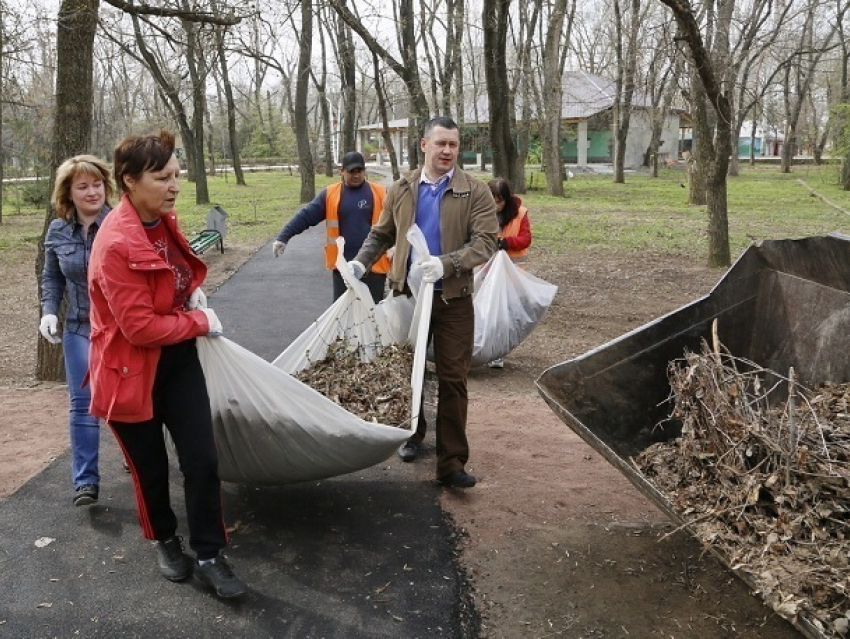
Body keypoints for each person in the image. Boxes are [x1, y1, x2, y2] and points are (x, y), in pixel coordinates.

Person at [87, 130, 246, 599]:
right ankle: (164, 539)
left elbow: (173, 274)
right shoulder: (114, 244)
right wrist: (197, 319)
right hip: (128, 372)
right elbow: (138, 328)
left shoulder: (162, 218)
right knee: (151, 468)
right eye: (162, 177)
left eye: (176, 175)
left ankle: (211, 554)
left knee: (202, 460)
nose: (174, 185)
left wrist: (187, 292)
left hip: (176, 362)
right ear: (129, 181)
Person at [348, 116, 498, 488]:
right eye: (441, 143)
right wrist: (360, 261)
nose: (447, 151)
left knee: (453, 378)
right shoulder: (402, 189)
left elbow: (485, 242)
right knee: (409, 373)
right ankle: (413, 436)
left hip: (453, 298)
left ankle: (451, 463)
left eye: (453, 145)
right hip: (407, 295)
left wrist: (445, 265)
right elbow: (381, 233)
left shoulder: (474, 191)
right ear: (424, 145)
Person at [39, 155, 114, 507]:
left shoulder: (119, 223)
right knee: (82, 405)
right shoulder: (57, 231)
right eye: (82, 186)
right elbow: (52, 276)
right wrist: (49, 311)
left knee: (125, 401)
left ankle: (137, 458)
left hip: (119, 330)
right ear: (68, 193)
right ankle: (85, 481)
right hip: (79, 328)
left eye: (96, 184)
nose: (92, 192)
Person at [272, 151, 391, 304]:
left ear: (364, 171)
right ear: (341, 171)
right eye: (351, 171)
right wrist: (283, 236)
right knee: (342, 317)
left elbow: (397, 223)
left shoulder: (381, 193)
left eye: (359, 171)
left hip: (373, 266)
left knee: (373, 316)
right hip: (342, 268)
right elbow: (306, 216)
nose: (356, 175)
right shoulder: (330, 194)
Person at [487, 177, 532, 369]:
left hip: (511, 275)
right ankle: (485, 348)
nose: (496, 206)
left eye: (500, 201)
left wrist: (507, 243)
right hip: (486, 273)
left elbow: (525, 239)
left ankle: (498, 352)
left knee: (503, 315)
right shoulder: (480, 212)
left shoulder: (519, 214)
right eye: (493, 201)